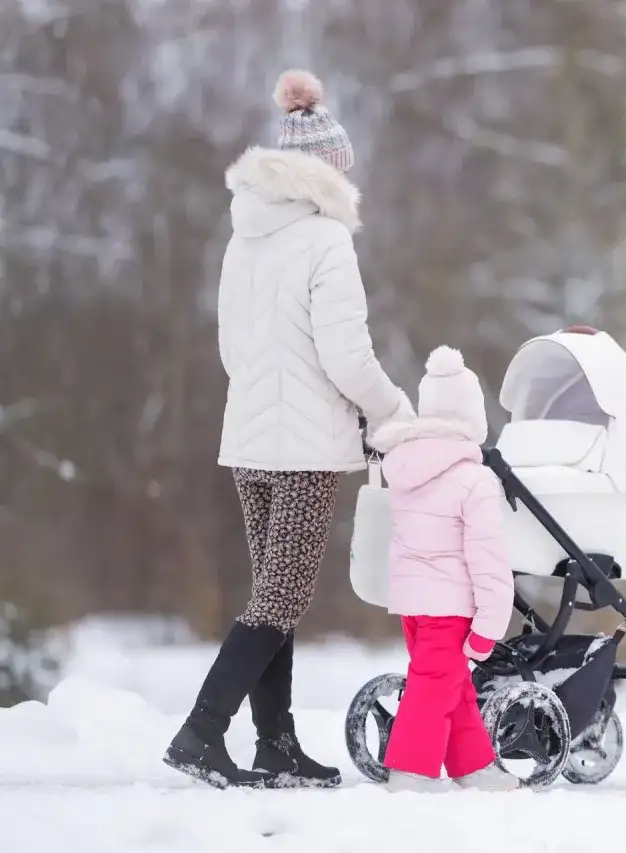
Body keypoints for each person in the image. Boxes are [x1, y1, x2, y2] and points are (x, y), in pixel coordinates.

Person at [163, 69, 414, 789]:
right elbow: (347, 354)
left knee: (273, 591)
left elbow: (230, 350)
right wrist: (391, 409)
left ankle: (276, 744)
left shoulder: (244, 240)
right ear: (328, 175)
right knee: (282, 597)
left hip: (249, 440)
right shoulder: (327, 243)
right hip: (304, 448)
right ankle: (201, 732)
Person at [368, 345, 520, 792]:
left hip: (413, 605)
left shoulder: (406, 470)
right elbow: (488, 558)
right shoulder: (475, 481)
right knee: (433, 687)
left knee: (454, 685)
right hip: (451, 605)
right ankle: (411, 771)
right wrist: (491, 623)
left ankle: (473, 765)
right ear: (473, 419)